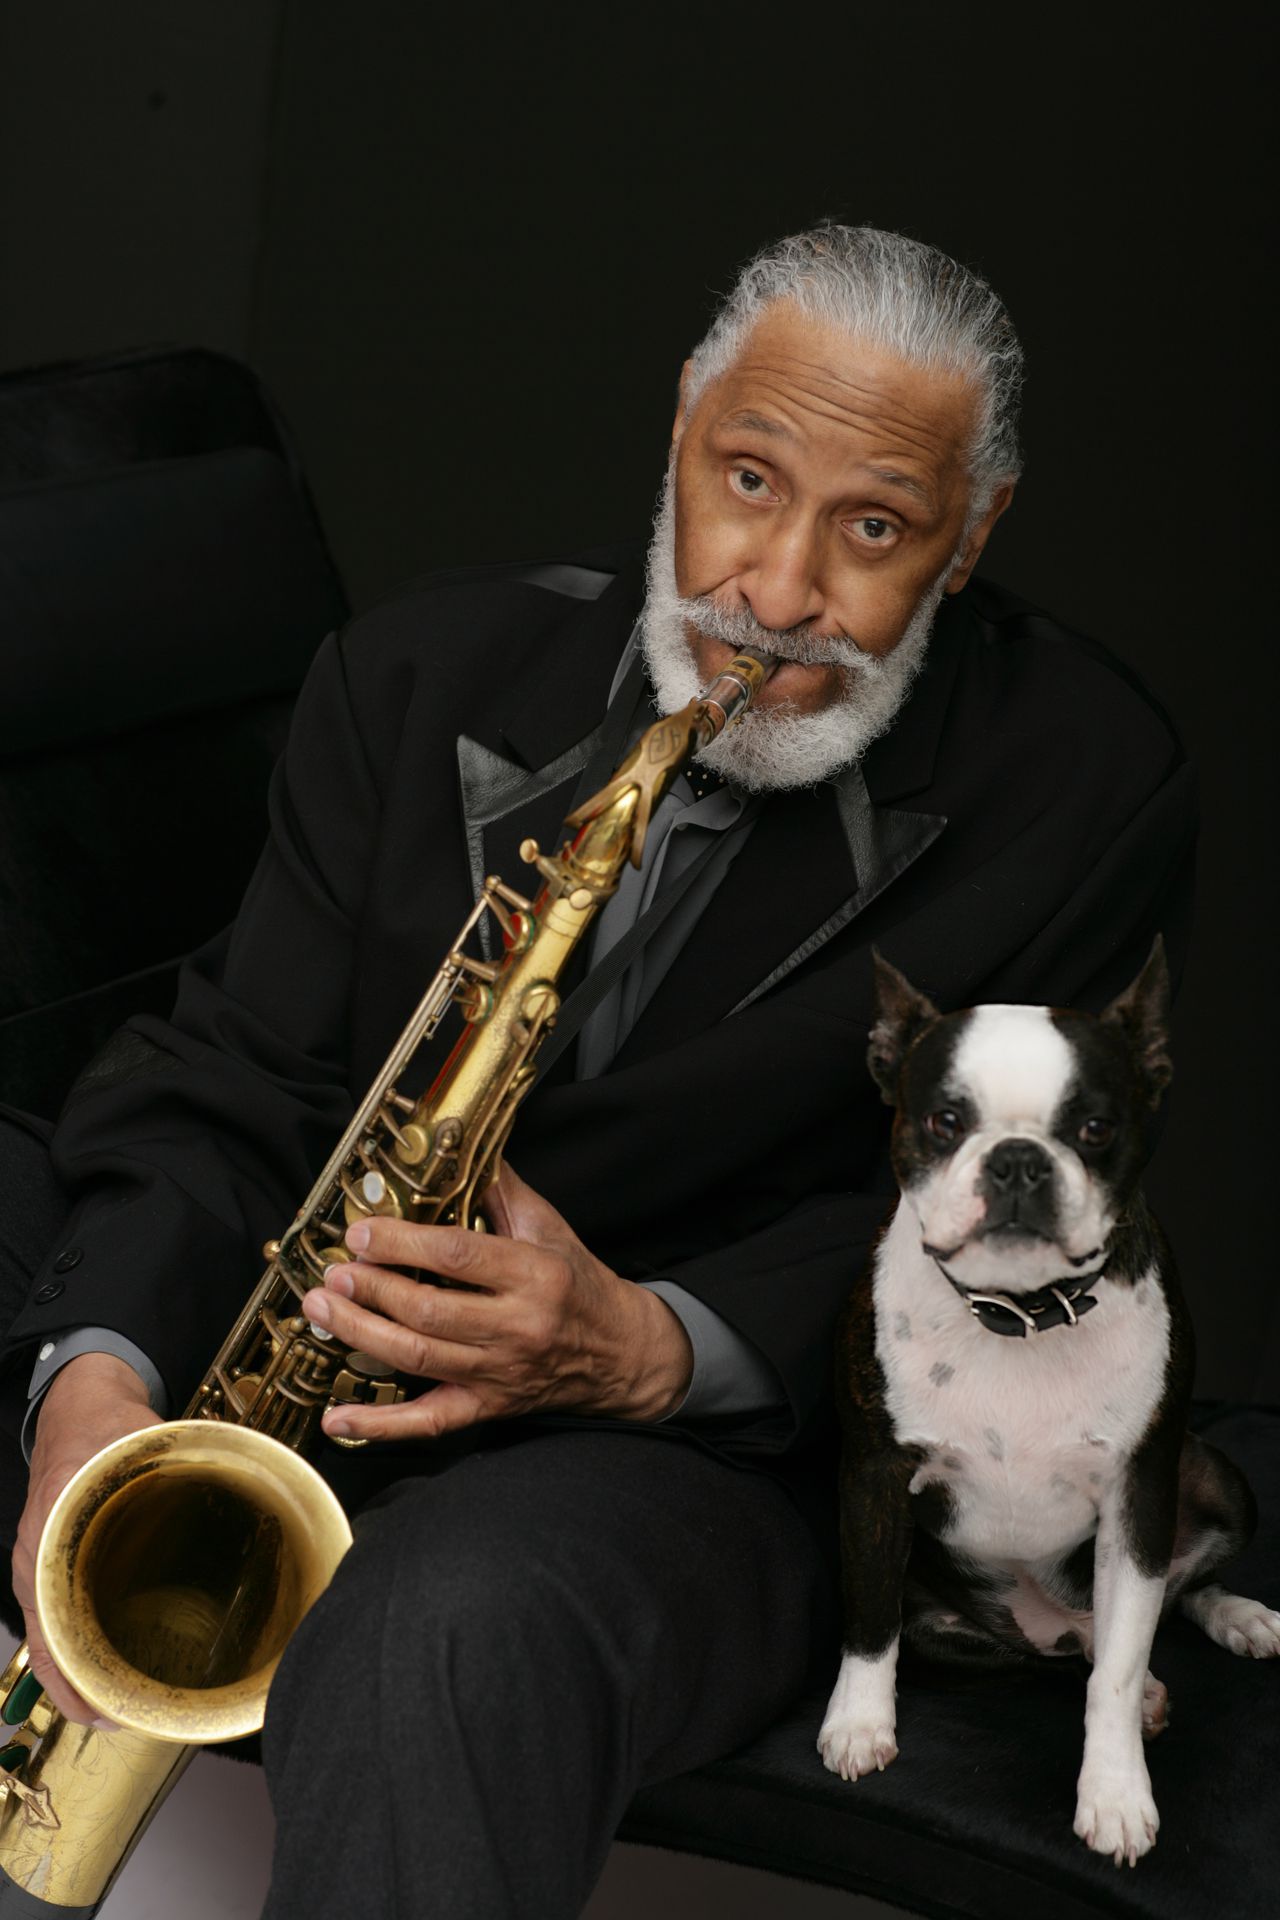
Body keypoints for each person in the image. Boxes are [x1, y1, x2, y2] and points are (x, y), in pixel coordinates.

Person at [0, 225, 1196, 1917]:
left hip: (704, 1463)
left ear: (973, 529)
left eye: (873, 529)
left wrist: (648, 1347)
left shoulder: (1087, 783)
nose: (775, 598)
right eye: (747, 477)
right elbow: (235, 1076)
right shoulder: (414, 672)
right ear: (684, 422)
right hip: (332, 1341)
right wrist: (93, 1390)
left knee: (454, 1619)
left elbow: (1043, 1235)